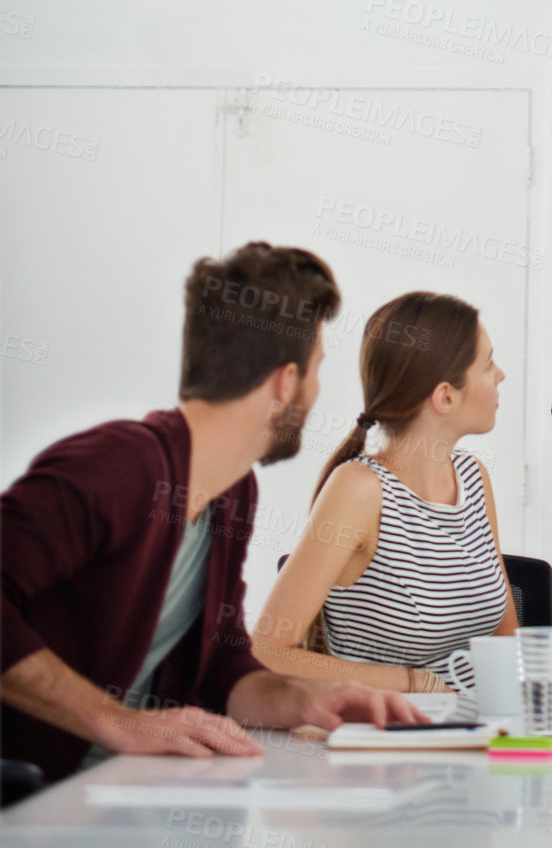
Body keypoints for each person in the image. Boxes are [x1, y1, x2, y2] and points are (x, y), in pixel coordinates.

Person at [0, 243, 428, 782]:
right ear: (284, 381)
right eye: (317, 369)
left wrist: (304, 698)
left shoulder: (233, 490)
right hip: (36, 803)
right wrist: (115, 720)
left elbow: (221, 668)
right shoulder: (118, 465)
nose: (317, 392)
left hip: (135, 789)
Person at [254, 293, 516, 695]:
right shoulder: (359, 491)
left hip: (474, 733)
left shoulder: (473, 478)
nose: (501, 374)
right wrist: (412, 683)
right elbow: (267, 651)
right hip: (386, 742)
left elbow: (507, 641)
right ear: (445, 396)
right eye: (487, 364)